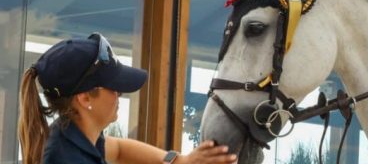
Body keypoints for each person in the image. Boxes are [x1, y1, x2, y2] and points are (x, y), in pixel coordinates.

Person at [18, 32, 237, 164]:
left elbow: (120, 149)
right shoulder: (68, 158)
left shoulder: (75, 137)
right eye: (113, 87)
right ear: (85, 99)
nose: (119, 94)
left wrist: (182, 161)